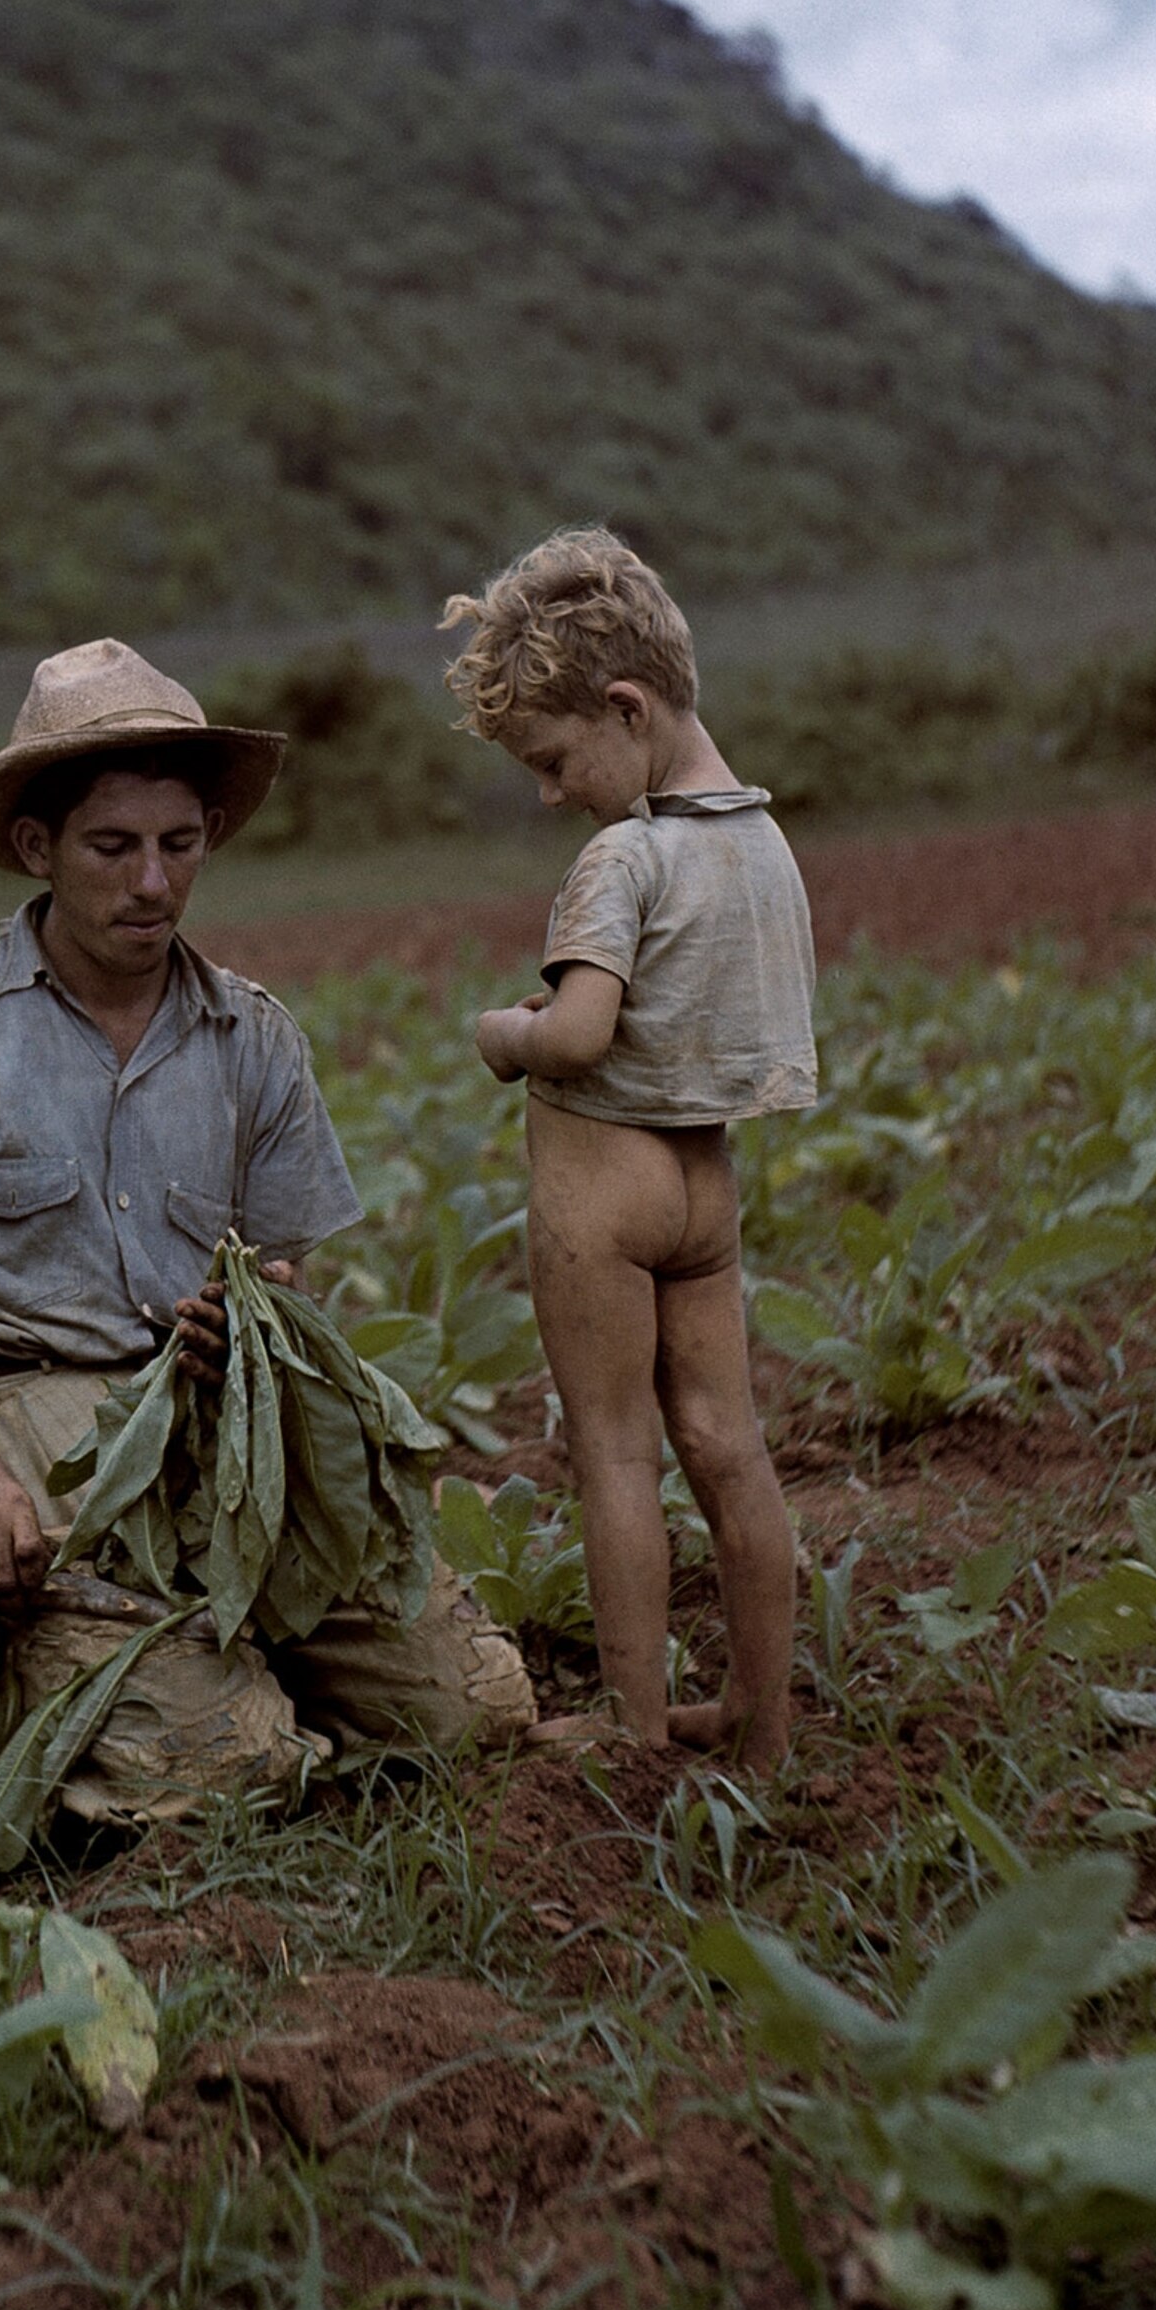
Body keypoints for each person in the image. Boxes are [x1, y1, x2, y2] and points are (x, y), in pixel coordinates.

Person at [0, 638, 532, 1820]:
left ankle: (190, 1672)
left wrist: (255, 1322)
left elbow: (289, 1280)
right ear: (38, 847)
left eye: (179, 847)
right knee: (226, 1765)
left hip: (204, 1432)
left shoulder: (251, 1039)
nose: (152, 886)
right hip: (8, 1422)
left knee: (474, 1717)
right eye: (112, 849)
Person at [444, 527, 813, 1772]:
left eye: (552, 760)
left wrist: (504, 1033)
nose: (549, 793)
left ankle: (631, 1722)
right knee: (730, 1445)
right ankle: (761, 1724)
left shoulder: (624, 856)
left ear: (623, 706)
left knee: (611, 1452)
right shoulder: (761, 846)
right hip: (705, 1190)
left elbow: (581, 1032)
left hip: (601, 1199)